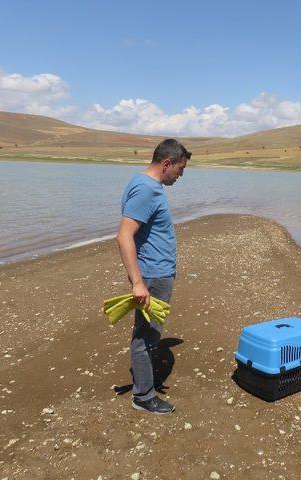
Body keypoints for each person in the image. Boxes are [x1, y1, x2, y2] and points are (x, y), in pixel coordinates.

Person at [115, 138, 190, 414]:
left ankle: (144, 387)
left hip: (155, 273)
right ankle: (144, 396)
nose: (179, 176)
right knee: (146, 337)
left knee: (148, 334)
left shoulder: (143, 184)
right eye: (179, 170)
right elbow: (124, 236)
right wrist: (137, 282)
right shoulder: (147, 190)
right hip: (152, 276)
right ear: (166, 164)